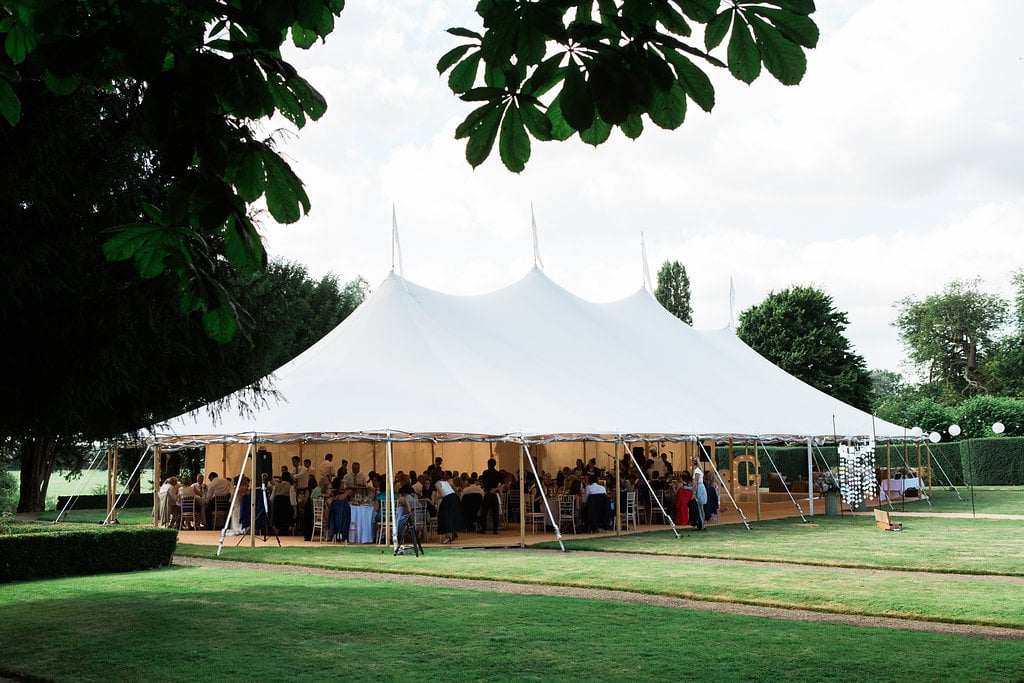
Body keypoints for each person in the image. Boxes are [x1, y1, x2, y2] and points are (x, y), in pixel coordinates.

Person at [434, 473, 464, 544]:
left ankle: (447, 537)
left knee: (444, 516)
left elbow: (443, 494)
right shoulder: (445, 482)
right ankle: (453, 532)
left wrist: (436, 497)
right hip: (454, 498)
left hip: (448, 499)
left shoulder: (437, 483)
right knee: (452, 516)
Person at [478, 458, 502, 534]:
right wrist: (495, 489)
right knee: (495, 513)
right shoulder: (497, 473)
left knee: (484, 512)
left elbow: (483, 483)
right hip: (494, 494)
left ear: (488, 464)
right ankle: (495, 530)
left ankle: (484, 529)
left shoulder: (485, 472)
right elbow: (503, 483)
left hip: (487, 493)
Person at [271, 471, 297, 535]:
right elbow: (292, 501)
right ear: (289, 479)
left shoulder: (276, 486)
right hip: (286, 509)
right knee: (295, 510)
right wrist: (295, 510)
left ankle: (277, 529)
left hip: (277, 508)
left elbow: (271, 498)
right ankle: (291, 527)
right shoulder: (291, 487)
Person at [692, 458, 707, 530]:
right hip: (701, 486)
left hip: (699, 488)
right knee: (700, 507)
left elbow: (695, 482)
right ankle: (702, 523)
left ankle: (702, 523)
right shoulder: (699, 470)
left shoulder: (697, 471)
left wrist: (694, 492)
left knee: (700, 506)